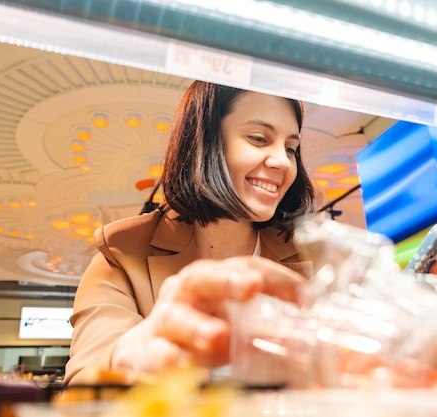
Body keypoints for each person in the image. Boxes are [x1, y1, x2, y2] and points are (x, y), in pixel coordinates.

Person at [64, 80, 315, 385]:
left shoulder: (314, 256)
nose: (282, 162)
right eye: (259, 138)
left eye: (291, 149)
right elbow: (81, 386)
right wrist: (140, 349)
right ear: (205, 143)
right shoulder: (119, 255)